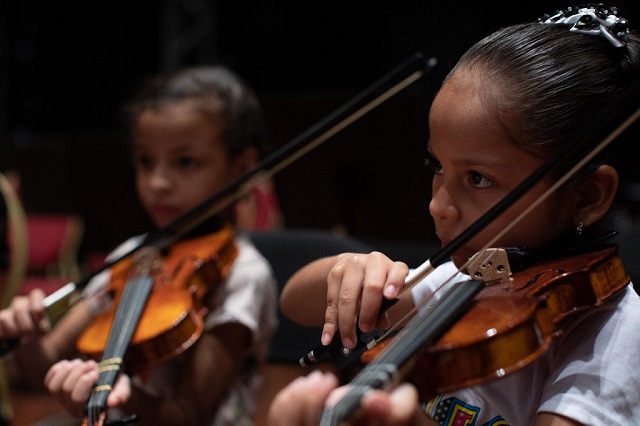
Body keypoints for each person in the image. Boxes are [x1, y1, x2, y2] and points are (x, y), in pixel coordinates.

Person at [268, 4, 640, 425]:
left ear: (587, 196)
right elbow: (295, 300)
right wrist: (346, 269)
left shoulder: (615, 342)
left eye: (478, 178)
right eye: (438, 167)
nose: (438, 206)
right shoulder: (470, 281)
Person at [0, 66, 279, 425]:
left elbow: (186, 415)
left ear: (241, 168)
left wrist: (117, 390)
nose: (158, 182)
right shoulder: (131, 255)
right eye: (145, 161)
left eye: (185, 162)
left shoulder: (242, 275)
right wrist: (24, 335)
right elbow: (46, 364)